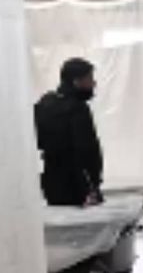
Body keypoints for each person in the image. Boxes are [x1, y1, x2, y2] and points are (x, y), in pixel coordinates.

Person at [35, 58, 104, 207]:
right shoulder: (78, 109)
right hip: (77, 184)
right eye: (89, 78)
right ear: (76, 81)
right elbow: (87, 149)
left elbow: (38, 140)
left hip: (51, 182)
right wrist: (94, 182)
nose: (93, 83)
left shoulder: (45, 103)